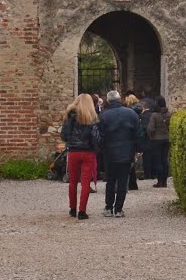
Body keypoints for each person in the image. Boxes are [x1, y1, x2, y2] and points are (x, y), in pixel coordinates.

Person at [98, 89, 144, 217]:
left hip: (109, 152)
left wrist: (102, 148)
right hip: (126, 151)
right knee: (123, 181)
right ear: (120, 100)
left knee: (110, 180)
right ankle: (118, 209)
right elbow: (139, 133)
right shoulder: (131, 114)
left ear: (108, 101)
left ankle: (108, 208)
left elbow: (99, 135)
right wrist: (139, 149)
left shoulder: (104, 116)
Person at [60, 93, 100, 220]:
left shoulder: (69, 117)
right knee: (85, 182)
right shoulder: (92, 118)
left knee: (72, 181)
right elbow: (96, 138)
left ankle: (72, 209)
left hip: (73, 151)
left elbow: (64, 136)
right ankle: (82, 211)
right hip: (88, 152)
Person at [146, 95, 172, 187]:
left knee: (158, 161)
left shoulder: (154, 115)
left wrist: (150, 136)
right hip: (166, 139)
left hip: (156, 140)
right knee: (165, 160)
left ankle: (160, 181)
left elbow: (150, 129)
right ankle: (165, 181)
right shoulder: (169, 114)